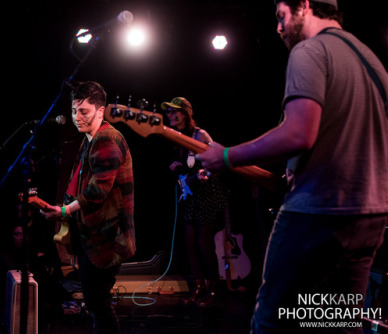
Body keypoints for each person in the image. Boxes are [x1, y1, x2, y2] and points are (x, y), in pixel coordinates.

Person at [196, 0, 388, 332]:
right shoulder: (372, 61)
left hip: (317, 212)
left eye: (281, 16)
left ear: (304, 5)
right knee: (337, 322)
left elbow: (298, 133)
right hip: (371, 214)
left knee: (272, 321)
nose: (278, 28)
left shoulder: (310, 51)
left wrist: (225, 156)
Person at [40, 81, 135, 334]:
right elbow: (79, 185)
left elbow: (97, 190)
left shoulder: (106, 139)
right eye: (74, 111)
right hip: (94, 236)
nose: (76, 117)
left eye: (84, 111)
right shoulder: (91, 139)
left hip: (106, 239)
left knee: (98, 305)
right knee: (96, 304)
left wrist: (64, 211)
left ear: (100, 111)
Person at [161, 97, 229, 307]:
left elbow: (216, 161)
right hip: (190, 193)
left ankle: (213, 289)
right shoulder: (175, 137)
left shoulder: (200, 134)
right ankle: (197, 287)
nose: (170, 115)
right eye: (169, 112)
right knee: (189, 242)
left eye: (175, 112)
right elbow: (185, 164)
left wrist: (203, 173)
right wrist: (177, 168)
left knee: (203, 242)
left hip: (206, 193)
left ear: (186, 113)